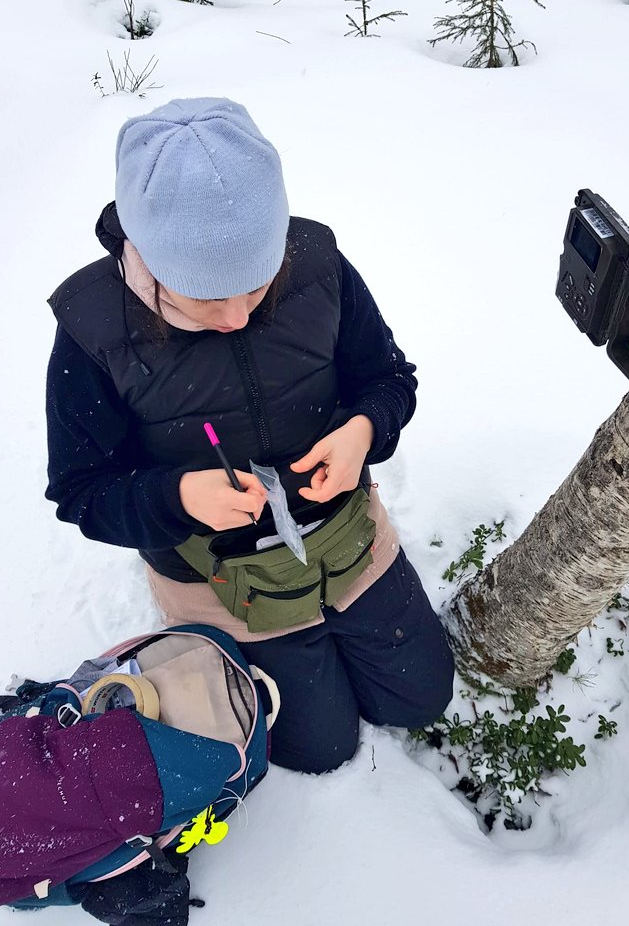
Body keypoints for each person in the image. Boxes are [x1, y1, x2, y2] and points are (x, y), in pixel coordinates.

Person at [45, 97, 454, 775]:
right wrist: (179, 496)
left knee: (420, 700)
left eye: (257, 286)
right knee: (319, 750)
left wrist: (363, 430)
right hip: (220, 581)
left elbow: (387, 378)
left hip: (348, 542)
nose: (237, 317)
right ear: (147, 255)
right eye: (205, 299)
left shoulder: (317, 263)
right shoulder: (95, 330)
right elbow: (82, 493)